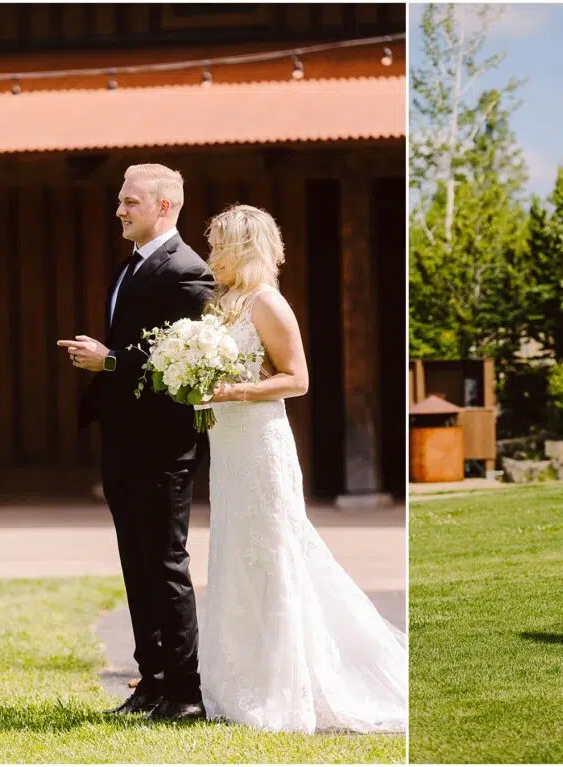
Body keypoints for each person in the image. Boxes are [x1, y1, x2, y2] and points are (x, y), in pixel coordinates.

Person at [197, 204, 407, 733]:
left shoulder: (268, 303)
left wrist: (236, 390)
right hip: (227, 447)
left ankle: (283, 682)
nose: (210, 253)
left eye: (218, 244)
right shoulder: (217, 305)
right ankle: (236, 678)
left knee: (272, 551)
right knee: (233, 552)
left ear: (243, 248)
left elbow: (298, 379)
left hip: (262, 444)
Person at [57, 163, 215, 720]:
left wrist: (112, 359)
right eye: (120, 201)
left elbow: (187, 364)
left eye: (130, 202)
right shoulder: (131, 267)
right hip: (123, 440)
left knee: (166, 564)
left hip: (163, 444)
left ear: (164, 207)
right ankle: (151, 678)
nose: (119, 210)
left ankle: (186, 692)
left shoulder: (188, 272)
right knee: (136, 562)